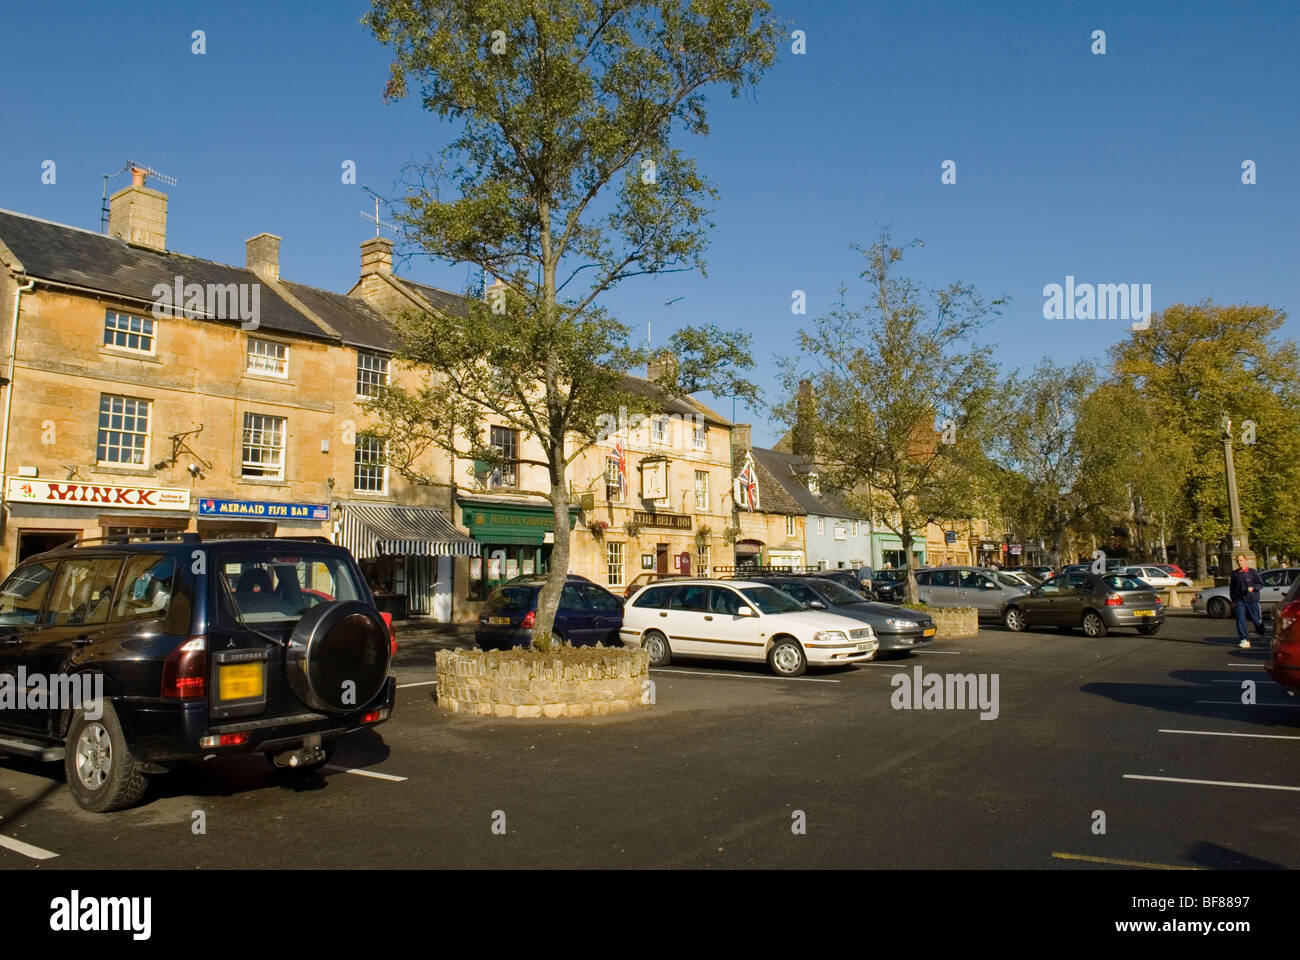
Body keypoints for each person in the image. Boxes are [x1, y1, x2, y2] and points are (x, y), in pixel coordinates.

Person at [1229, 554, 1265, 649]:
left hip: (1252, 600)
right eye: (1238, 561)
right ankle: (1244, 639)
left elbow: (1261, 584)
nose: (1239, 562)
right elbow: (1232, 588)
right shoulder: (1235, 573)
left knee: (1256, 619)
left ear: (1245, 560)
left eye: (1241, 560)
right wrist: (1232, 600)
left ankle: (1262, 634)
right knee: (1240, 619)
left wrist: (1253, 588)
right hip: (1239, 600)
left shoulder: (1253, 572)